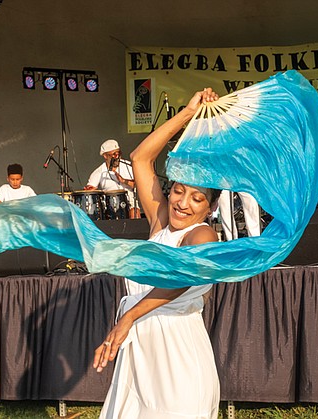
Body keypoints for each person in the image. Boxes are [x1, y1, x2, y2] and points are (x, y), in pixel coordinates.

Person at [92, 88, 221, 418]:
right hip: (140, 354)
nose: (182, 202)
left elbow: (183, 275)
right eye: (179, 190)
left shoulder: (203, 235)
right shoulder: (161, 222)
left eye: (197, 198)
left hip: (178, 358)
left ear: (211, 207)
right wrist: (187, 115)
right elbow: (140, 159)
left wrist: (129, 316)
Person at [85, 139, 140, 218]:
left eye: (119, 153)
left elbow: (137, 185)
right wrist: (91, 189)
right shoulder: (99, 171)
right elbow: (90, 190)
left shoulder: (128, 166)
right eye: (114, 154)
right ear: (105, 156)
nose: (117, 156)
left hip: (129, 199)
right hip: (109, 203)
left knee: (135, 213)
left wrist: (124, 181)